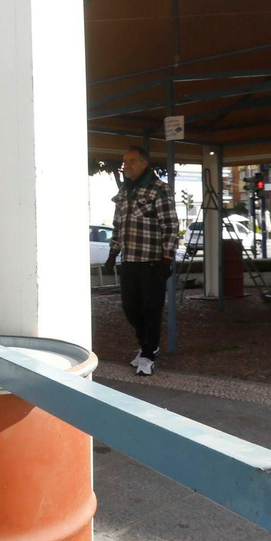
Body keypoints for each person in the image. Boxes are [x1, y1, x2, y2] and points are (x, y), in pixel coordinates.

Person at [104, 145, 178, 376]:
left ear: (144, 163)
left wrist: (167, 258)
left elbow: (171, 225)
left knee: (151, 309)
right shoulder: (124, 192)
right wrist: (112, 254)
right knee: (130, 307)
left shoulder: (159, 189)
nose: (126, 165)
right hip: (130, 261)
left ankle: (147, 354)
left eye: (132, 161)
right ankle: (148, 344)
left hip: (153, 261)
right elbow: (118, 226)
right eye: (125, 161)